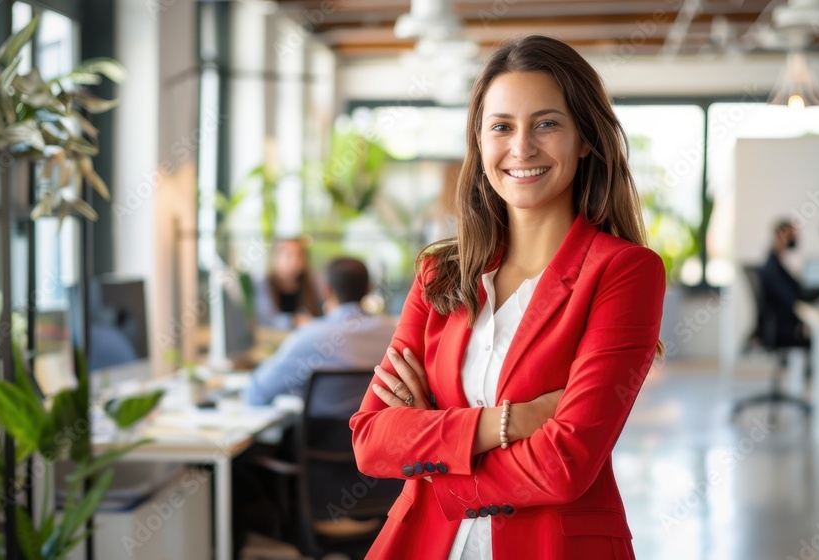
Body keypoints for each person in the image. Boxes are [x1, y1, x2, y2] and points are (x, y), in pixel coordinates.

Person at [350, 36, 665, 559]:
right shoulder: (440, 273)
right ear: (480, 141)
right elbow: (371, 440)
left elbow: (565, 464)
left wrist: (432, 447)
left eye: (546, 124)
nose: (522, 148)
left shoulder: (623, 272)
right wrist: (510, 422)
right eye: (501, 126)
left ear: (585, 139)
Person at [246, 256, 397, 410]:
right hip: (377, 431)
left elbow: (258, 392)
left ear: (326, 290)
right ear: (369, 289)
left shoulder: (308, 336)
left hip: (320, 433)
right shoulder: (395, 333)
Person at [760, 220, 819, 419]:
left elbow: (798, 291)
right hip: (783, 332)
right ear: (780, 237)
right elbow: (795, 298)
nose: (796, 240)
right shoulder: (774, 266)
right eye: (792, 235)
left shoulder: (777, 262)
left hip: (782, 328)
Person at [255, 237, 323, 329]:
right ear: (275, 257)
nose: (294, 260)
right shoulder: (263, 285)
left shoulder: (314, 283)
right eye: (288, 255)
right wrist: (293, 320)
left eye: (299, 255)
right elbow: (265, 320)